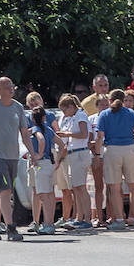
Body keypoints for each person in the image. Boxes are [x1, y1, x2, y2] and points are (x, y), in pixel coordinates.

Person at [0, 77, 36, 242]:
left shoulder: (18, 107)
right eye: (7, 87)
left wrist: (33, 153)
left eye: (12, 86)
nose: (11, 89)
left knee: (4, 191)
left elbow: (24, 133)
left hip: (13, 156)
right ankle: (11, 227)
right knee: (6, 191)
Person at [97, 90, 134, 231]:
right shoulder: (131, 113)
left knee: (114, 187)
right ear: (123, 100)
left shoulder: (104, 114)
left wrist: (96, 154)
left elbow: (100, 136)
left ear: (110, 100)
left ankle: (119, 220)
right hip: (129, 149)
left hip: (112, 150)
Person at [55, 94, 93, 230]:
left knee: (81, 187)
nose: (64, 114)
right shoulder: (74, 117)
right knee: (76, 188)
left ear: (71, 107)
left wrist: (67, 134)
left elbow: (84, 134)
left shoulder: (81, 116)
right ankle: (80, 217)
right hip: (74, 153)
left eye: (65, 110)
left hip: (79, 153)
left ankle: (87, 219)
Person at [26, 103, 59, 235]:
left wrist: (38, 155)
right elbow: (62, 145)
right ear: (44, 117)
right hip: (50, 163)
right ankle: (50, 223)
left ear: (33, 119)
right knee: (50, 195)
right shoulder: (49, 129)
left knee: (43, 196)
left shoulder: (36, 129)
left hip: (41, 163)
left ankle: (47, 224)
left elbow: (41, 140)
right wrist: (58, 161)